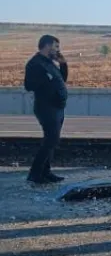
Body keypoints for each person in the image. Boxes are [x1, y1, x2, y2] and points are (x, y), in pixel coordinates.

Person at [24, 34, 69, 185]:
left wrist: (63, 64)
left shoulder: (49, 63)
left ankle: (46, 172)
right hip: (46, 107)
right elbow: (29, 85)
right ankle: (35, 174)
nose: (58, 50)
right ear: (47, 46)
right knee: (51, 140)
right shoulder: (36, 63)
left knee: (52, 141)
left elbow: (62, 80)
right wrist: (46, 79)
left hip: (57, 107)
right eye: (56, 46)